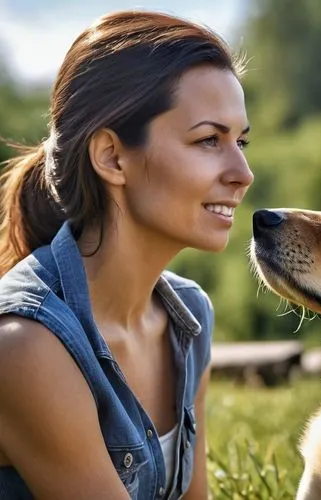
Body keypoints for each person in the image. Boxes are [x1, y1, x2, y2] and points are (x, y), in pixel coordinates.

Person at [0, 9, 253, 500]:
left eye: (241, 141)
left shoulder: (188, 317)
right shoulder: (24, 346)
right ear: (112, 157)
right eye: (208, 140)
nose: (243, 172)